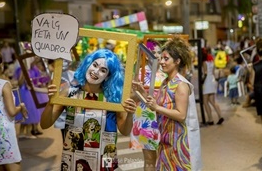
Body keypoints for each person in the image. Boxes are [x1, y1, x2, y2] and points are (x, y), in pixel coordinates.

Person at [40, 49, 137, 170]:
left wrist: (130, 114)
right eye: (95, 65)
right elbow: (44, 124)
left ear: (108, 76)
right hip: (73, 162)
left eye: (103, 70)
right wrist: (50, 102)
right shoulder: (69, 93)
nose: (96, 71)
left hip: (105, 161)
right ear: (88, 64)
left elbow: (125, 131)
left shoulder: (114, 99)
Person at [133, 38, 202, 171]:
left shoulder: (181, 85)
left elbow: (181, 115)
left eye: (166, 59)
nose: (161, 62)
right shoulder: (166, 82)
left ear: (177, 61)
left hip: (178, 142)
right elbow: (158, 103)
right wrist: (143, 93)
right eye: (162, 58)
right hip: (166, 140)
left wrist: (157, 107)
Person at [130, 39, 166, 170]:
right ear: (145, 54)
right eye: (152, 52)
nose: (155, 55)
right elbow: (130, 97)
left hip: (164, 117)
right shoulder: (140, 73)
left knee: (166, 157)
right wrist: (139, 92)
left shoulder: (167, 71)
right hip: (145, 119)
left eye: (158, 52)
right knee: (150, 159)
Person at [202, 47, 224, 125]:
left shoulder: (204, 62)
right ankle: (220, 116)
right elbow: (213, 72)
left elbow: (205, 73)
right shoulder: (212, 61)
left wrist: (202, 82)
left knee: (205, 102)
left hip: (207, 81)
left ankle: (210, 119)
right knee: (212, 101)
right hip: (212, 80)